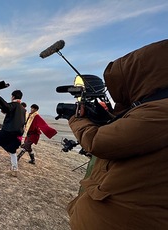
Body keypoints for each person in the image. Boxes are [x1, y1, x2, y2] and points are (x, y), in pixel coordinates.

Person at [66, 40, 168, 229]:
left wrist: (76, 119)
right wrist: (113, 117)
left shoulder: (160, 111)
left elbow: (99, 142)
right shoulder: (150, 109)